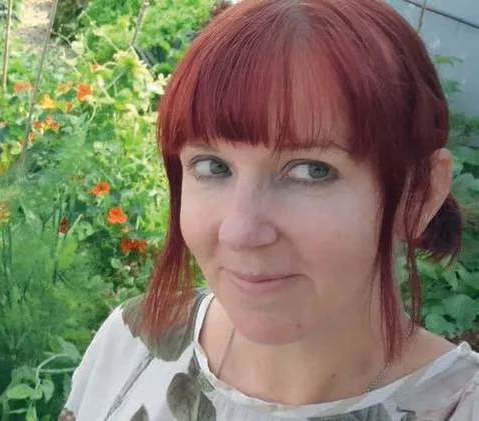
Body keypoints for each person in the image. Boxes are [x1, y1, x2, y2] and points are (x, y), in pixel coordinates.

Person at [59, 0, 479, 420]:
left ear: (420, 195)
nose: (239, 231)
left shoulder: (458, 407)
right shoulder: (134, 341)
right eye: (213, 166)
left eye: (312, 170)